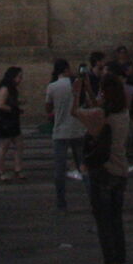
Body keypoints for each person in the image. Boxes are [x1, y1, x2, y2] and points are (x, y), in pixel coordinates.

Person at [76, 74, 133, 264]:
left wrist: (77, 93)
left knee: (104, 225)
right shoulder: (123, 114)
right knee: (116, 223)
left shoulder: (103, 116)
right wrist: (91, 91)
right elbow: (97, 109)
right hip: (121, 173)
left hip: (103, 174)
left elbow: (77, 112)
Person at [45, 59, 85, 212]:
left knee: (59, 169)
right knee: (83, 165)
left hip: (61, 130)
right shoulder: (76, 84)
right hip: (77, 129)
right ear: (67, 69)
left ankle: (61, 202)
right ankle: (92, 195)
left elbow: (48, 108)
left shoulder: (52, 86)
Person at [0, 67, 24, 183]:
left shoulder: (12, 88)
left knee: (19, 144)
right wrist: (13, 109)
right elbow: (0, 104)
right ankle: (1, 171)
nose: (20, 79)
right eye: (19, 77)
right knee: (4, 146)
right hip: (5, 121)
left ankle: (17, 169)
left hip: (12, 120)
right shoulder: (5, 88)